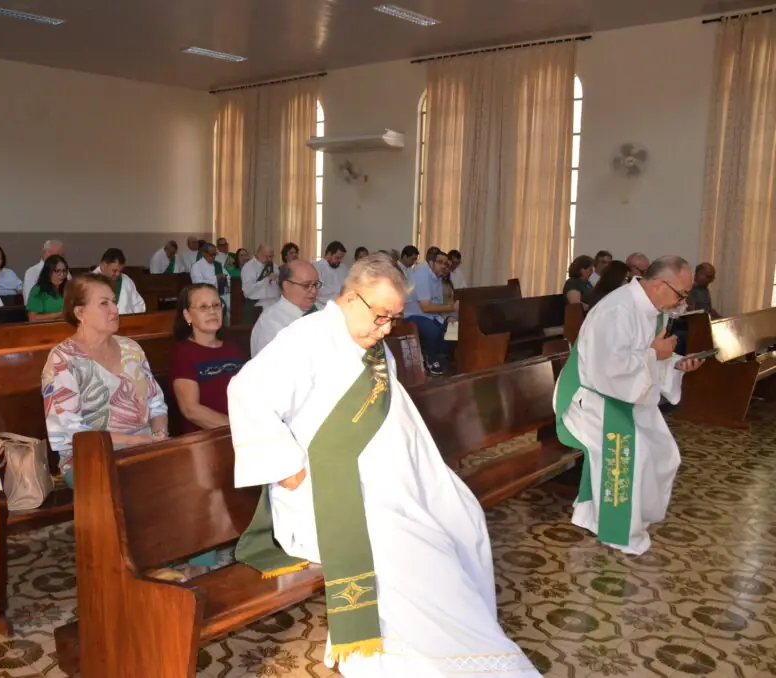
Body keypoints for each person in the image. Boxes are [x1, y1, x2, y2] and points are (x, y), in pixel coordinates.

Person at [227, 254, 538, 677]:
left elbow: (399, 424)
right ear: (351, 297)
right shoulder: (305, 339)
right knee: (408, 543)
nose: (388, 328)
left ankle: (474, 642)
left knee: (460, 516)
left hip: (388, 479)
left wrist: (425, 475)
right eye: (381, 316)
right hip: (324, 491)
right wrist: (285, 465)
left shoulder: (374, 345)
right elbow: (246, 390)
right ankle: (431, 655)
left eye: (393, 317)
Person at [555, 256, 704, 556]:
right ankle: (619, 529)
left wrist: (676, 365)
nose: (683, 302)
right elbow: (609, 370)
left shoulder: (652, 310)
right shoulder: (617, 310)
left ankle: (617, 514)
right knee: (634, 453)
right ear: (660, 285)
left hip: (623, 397)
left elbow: (647, 360)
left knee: (665, 452)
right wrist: (654, 354)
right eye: (681, 294)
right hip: (591, 400)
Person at [41, 273, 168, 488]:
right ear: (80, 313)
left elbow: (156, 403)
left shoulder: (131, 348)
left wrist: (159, 436)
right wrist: (139, 442)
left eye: (114, 302)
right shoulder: (62, 359)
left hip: (146, 444)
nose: (115, 310)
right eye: (104, 304)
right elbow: (74, 431)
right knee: (140, 481)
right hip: (90, 455)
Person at [170, 284, 246, 434]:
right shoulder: (183, 352)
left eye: (216, 305)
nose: (212, 311)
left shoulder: (232, 347)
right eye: (203, 307)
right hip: (209, 440)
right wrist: (239, 429)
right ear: (187, 316)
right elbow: (191, 410)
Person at [250, 259, 321, 356]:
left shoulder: (320, 311)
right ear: (286, 285)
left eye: (315, 284)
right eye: (306, 285)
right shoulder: (270, 324)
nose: (313, 291)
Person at [405, 247, 458, 376]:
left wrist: (451, 316)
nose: (444, 266)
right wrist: (451, 308)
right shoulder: (422, 274)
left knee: (453, 326)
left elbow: (438, 305)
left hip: (430, 315)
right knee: (433, 330)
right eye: (440, 262)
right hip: (413, 315)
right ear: (431, 262)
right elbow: (426, 307)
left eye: (447, 264)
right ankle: (430, 359)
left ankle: (443, 356)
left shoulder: (437, 278)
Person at [92, 248, 146, 315]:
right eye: (114, 271)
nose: (118, 274)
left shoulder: (127, 280)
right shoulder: (91, 282)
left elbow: (138, 305)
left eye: (120, 271)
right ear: (103, 265)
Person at [240, 245, 280, 320]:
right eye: (267, 256)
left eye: (271, 256)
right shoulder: (248, 268)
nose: (270, 259)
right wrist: (266, 280)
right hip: (258, 303)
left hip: (275, 300)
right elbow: (247, 291)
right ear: (259, 254)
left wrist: (278, 280)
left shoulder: (273, 266)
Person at [26, 255, 69, 322]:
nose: (62, 274)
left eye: (64, 271)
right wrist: (59, 315)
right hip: (45, 329)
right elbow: (33, 318)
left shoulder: (69, 287)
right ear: (49, 272)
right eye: (58, 271)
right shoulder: (38, 290)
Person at [191, 242, 230, 314]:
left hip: (221, 293)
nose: (213, 257)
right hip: (204, 295)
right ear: (204, 254)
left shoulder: (218, 264)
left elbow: (228, 277)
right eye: (211, 255)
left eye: (215, 254)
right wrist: (216, 278)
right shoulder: (197, 266)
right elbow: (198, 284)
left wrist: (225, 278)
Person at [313, 241, 348, 306]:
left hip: (341, 305)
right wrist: (338, 289)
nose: (339, 261)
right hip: (322, 306)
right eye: (337, 257)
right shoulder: (316, 267)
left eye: (341, 258)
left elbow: (347, 284)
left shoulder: (343, 267)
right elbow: (318, 290)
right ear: (329, 254)